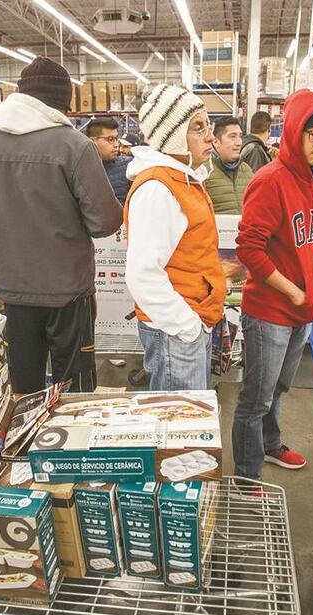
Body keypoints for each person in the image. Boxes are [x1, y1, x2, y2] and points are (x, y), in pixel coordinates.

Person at [0, 57, 122, 394]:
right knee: (73, 391)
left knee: (24, 388)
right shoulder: (74, 146)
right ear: (61, 102)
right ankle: (68, 447)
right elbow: (105, 222)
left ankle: (25, 446)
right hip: (67, 293)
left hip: (11, 290)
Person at [232, 90, 313, 480]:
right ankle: (248, 476)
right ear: (295, 131)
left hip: (302, 310)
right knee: (255, 399)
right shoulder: (271, 181)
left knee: (278, 389)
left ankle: (270, 445)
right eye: (312, 133)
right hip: (270, 313)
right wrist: (292, 290)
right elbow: (249, 249)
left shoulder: (312, 181)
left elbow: (301, 241)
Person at [124, 84, 225, 391]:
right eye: (198, 128)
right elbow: (143, 275)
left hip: (192, 321)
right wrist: (187, 327)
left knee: (190, 423)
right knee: (179, 428)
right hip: (176, 330)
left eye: (207, 126)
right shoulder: (158, 188)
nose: (209, 136)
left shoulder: (184, 178)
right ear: (172, 136)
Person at [204, 116, 254, 214]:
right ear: (216, 142)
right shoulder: (204, 171)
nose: (239, 142)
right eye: (232, 136)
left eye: (240, 136)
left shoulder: (247, 170)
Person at [86, 116, 132, 203]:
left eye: (116, 139)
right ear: (92, 141)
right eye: (110, 139)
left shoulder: (129, 167)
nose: (116, 144)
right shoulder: (78, 170)